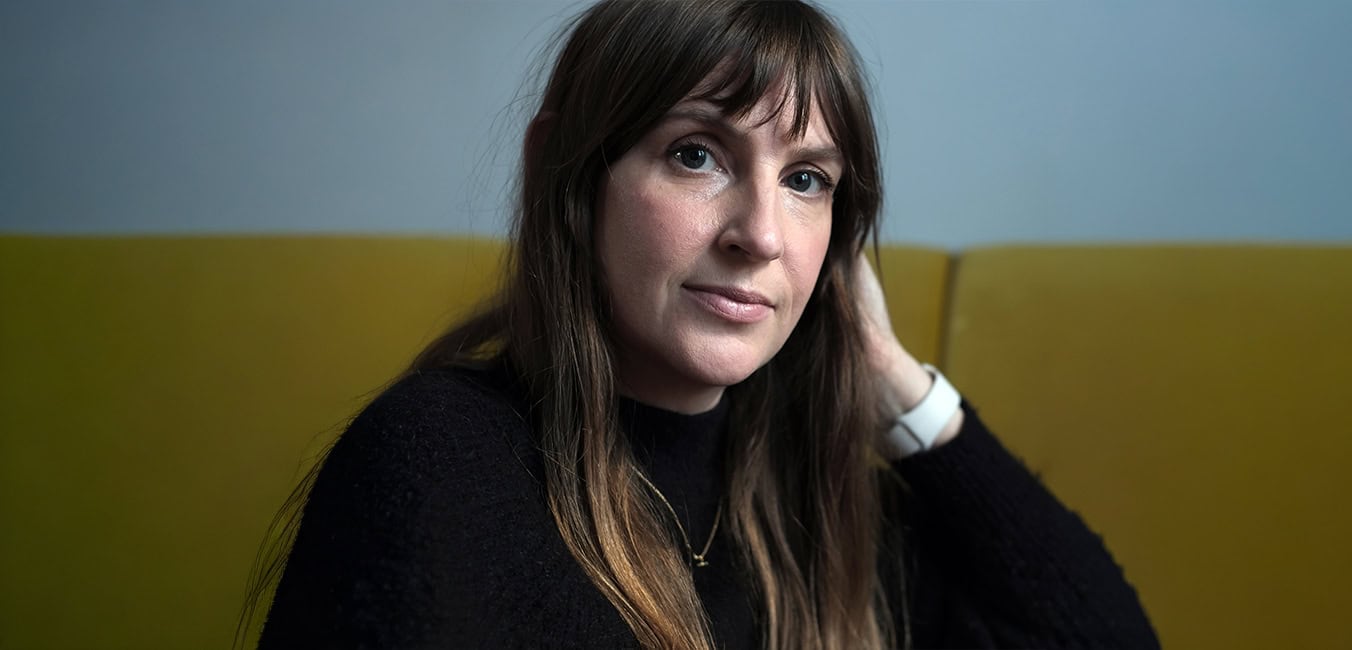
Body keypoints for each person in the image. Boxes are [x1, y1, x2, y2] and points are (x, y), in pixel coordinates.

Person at [246, 1, 1159, 648]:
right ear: (567, 173)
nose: (761, 234)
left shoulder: (825, 510)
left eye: (808, 180)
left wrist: (891, 381)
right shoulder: (440, 458)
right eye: (697, 155)